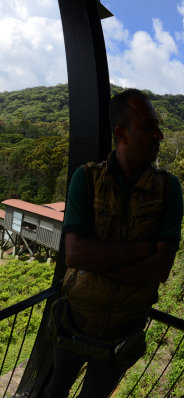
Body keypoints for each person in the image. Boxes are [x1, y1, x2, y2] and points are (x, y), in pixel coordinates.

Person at [43, 88, 183, 398]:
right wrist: (142, 249)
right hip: (74, 322)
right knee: (55, 391)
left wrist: (100, 264)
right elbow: (76, 253)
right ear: (121, 134)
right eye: (149, 126)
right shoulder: (87, 179)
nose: (159, 135)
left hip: (124, 332)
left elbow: (160, 268)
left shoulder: (169, 189)